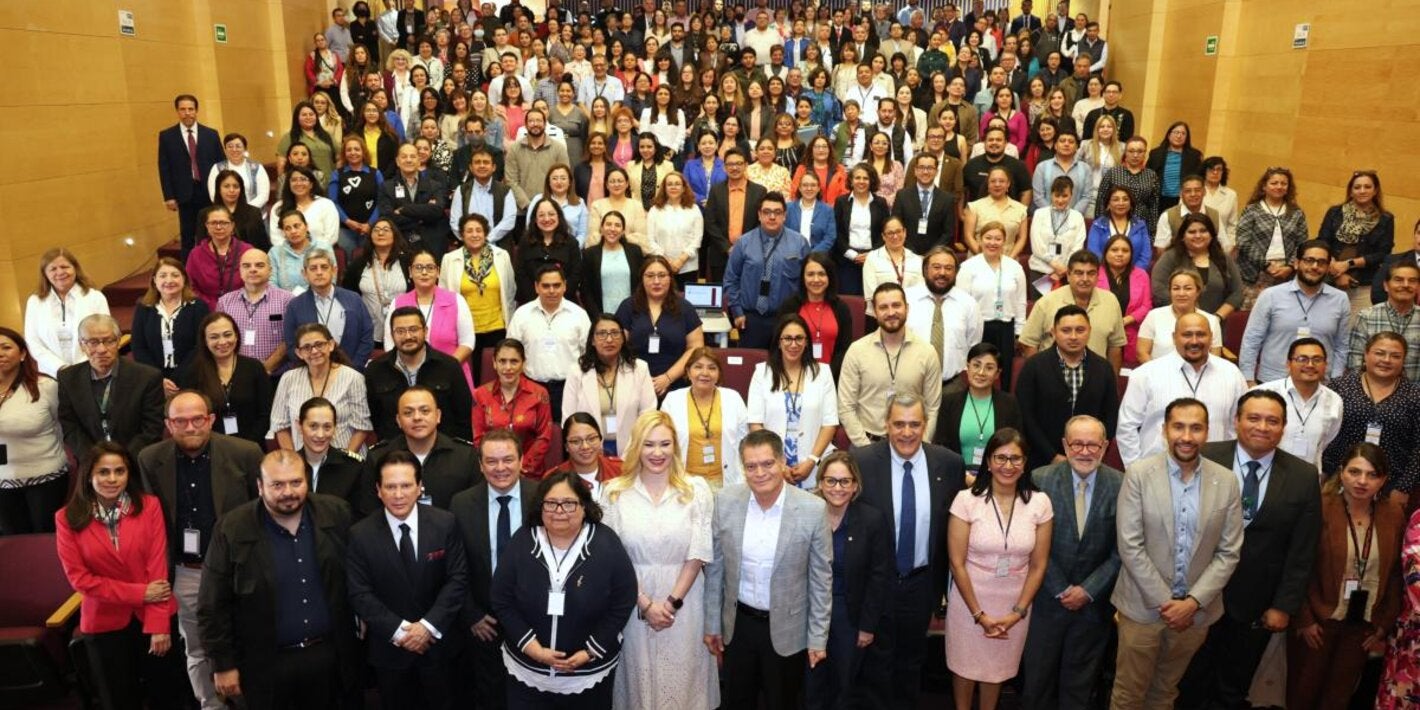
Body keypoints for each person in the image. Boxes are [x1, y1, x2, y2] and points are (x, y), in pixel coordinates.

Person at [1177, 390, 1323, 710]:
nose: (1262, 427)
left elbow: (1303, 549)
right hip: (1196, 598)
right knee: (1187, 684)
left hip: (1257, 604)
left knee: (1232, 689)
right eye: (1253, 418)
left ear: (1283, 428)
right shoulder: (1205, 458)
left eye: (1272, 421)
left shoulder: (1303, 476)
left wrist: (1284, 605)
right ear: (1236, 421)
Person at [196, 450, 357, 709]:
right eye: (277, 485)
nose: (288, 492)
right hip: (265, 664)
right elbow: (212, 605)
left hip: (328, 657)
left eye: (296, 482)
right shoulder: (232, 528)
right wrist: (223, 664)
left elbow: (357, 577)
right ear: (260, 486)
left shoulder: (337, 514)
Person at [1110, 397, 1243, 709]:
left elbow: (1229, 552)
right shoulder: (1139, 474)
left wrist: (1192, 603)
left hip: (1195, 615)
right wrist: (1166, 603)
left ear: (1207, 432)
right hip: (1143, 609)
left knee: (1165, 693)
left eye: (1195, 428)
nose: (1186, 436)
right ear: (1165, 430)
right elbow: (1130, 544)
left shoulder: (1225, 480)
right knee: (1129, 694)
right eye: (1179, 427)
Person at [137, 391, 262, 710]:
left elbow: (259, 515)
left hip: (238, 570)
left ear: (211, 419)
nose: (190, 427)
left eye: (198, 419)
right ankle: (211, 705)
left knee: (247, 642)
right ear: (168, 424)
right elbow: (152, 524)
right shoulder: (150, 459)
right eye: (180, 421)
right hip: (186, 570)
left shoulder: (245, 453)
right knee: (197, 648)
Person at [597, 411, 718, 709]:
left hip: (685, 604)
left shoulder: (697, 490)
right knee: (639, 690)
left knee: (685, 689)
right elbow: (613, 560)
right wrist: (646, 604)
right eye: (649, 444)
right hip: (633, 603)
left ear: (675, 446)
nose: (657, 452)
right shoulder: (613, 494)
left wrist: (670, 603)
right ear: (636, 446)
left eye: (665, 444)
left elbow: (698, 553)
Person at [703, 429, 832, 709]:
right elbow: (715, 570)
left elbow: (821, 581)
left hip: (789, 629)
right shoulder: (724, 502)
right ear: (743, 467)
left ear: (782, 461)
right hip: (738, 628)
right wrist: (712, 624)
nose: (760, 472)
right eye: (751, 466)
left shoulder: (813, 509)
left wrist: (818, 638)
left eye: (767, 464)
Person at [55, 442, 183, 710]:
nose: (112, 479)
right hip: (104, 622)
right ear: (89, 475)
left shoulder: (150, 507)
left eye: (119, 471)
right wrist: (140, 592)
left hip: (153, 617)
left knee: (168, 696)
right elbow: (81, 580)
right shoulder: (66, 519)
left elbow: (157, 567)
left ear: (128, 474)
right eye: (103, 472)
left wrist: (159, 625)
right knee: (119, 700)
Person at [346, 450, 469, 710]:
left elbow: (457, 579)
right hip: (390, 654)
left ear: (420, 486)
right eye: (390, 487)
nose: (398, 495)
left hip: (440, 647)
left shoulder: (445, 523)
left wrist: (427, 627)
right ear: (378, 490)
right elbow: (360, 593)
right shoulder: (360, 534)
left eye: (406, 486)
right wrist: (402, 632)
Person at [1018, 416, 1122, 710]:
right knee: (1036, 686)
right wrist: (1061, 588)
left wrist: (1088, 590)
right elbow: (1030, 543)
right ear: (1065, 444)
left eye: (1092, 444)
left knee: (1078, 690)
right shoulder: (1040, 479)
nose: (1085, 451)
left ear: (1104, 447)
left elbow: (1121, 550)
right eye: (1077, 443)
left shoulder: (1122, 484)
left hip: (1093, 607)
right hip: (1046, 603)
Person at [945, 428, 1052, 710]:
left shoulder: (1040, 503)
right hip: (970, 600)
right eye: (1000, 458)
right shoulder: (966, 500)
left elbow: (1039, 565)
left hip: (1014, 603)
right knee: (965, 666)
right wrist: (979, 615)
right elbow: (957, 563)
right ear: (988, 462)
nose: (1008, 466)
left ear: (1025, 462)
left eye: (1015, 459)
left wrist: (1017, 612)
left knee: (998, 669)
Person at [1288, 443, 1400, 709]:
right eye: (1355, 472)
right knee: (1302, 693)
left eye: (1372, 475)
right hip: (1318, 623)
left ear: (1383, 480)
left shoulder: (1393, 515)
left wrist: (1383, 624)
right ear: (1341, 472)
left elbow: (1396, 574)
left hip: (1362, 628)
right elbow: (1297, 565)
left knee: (1338, 698)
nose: (1362, 481)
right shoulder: (1321, 508)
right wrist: (1303, 618)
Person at [448, 429, 537, 709]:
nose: (500, 468)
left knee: (531, 694)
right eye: (492, 461)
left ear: (522, 461)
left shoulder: (542, 498)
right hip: (483, 622)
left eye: (508, 459)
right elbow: (454, 566)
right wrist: (471, 614)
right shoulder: (460, 503)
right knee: (490, 695)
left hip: (535, 619)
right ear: (480, 465)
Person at [803, 451, 894, 710]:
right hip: (809, 613)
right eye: (831, 481)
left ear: (855, 485)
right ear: (820, 483)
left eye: (845, 481)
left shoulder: (872, 520)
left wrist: (867, 625)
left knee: (844, 686)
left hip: (849, 616)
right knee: (812, 683)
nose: (837, 488)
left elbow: (879, 577)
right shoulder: (807, 515)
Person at [1116, 314, 1248, 465]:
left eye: (1201, 334)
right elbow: (1127, 427)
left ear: (1211, 337)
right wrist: (1136, 471)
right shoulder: (1146, 374)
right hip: (1157, 472)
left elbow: (1239, 426)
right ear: (1174, 337)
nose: (1194, 341)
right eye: (1187, 335)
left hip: (1215, 472)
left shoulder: (1232, 374)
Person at [1015, 305, 1121, 471]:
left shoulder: (1103, 368)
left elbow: (1110, 416)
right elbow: (1025, 415)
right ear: (1053, 332)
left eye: (1080, 330)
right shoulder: (1034, 366)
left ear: (1089, 331)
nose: (1073, 337)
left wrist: (1093, 452)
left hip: (1089, 460)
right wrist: (1051, 455)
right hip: (1040, 461)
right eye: (1066, 330)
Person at [838, 282, 944, 444]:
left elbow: (932, 408)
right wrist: (866, 448)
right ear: (874, 311)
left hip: (912, 444)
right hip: (867, 443)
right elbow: (846, 407)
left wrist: (920, 445)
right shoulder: (857, 351)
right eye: (883, 307)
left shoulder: (927, 352)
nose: (891, 312)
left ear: (907, 308)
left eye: (896, 305)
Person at [1323, 332, 1420, 503]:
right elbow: (1323, 434)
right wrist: (1323, 473)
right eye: (1380, 353)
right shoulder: (1339, 387)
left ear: (1403, 361)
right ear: (1366, 355)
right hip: (1337, 479)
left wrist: (1404, 487)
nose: (1386, 360)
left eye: (1395, 356)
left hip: (1392, 484)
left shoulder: (1414, 396)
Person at [1239, 239, 1350, 384]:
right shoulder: (1271, 295)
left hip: (1320, 383)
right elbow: (1251, 340)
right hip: (1273, 381)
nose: (1315, 266)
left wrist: (1336, 381)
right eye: (1309, 260)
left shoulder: (1340, 299)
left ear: (1328, 267)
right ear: (1297, 263)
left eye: (1321, 262)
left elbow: (1342, 346)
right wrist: (1248, 379)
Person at [747, 315, 839, 489]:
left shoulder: (823, 373)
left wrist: (812, 460)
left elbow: (830, 423)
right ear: (779, 342)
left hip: (813, 464)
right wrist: (778, 464)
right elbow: (755, 423)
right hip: (772, 467)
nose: (793, 344)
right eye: (788, 338)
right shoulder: (762, 373)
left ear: (806, 342)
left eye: (799, 338)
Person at [360, 386, 481, 516]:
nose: (417, 417)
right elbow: (369, 511)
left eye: (425, 411)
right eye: (408, 413)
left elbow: (475, 508)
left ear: (438, 416)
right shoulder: (378, 457)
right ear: (398, 420)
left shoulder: (465, 455)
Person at [56, 315, 165, 456]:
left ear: (119, 341)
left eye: (108, 341)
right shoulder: (68, 378)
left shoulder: (147, 377)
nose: (101, 349)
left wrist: (122, 460)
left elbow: (152, 429)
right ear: (82, 344)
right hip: (91, 462)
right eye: (93, 342)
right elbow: (70, 427)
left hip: (135, 461)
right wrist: (94, 460)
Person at [366, 306, 475, 443]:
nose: (408, 336)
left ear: (425, 331)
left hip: (443, 452)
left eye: (413, 329)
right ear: (392, 335)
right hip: (395, 455)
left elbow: (464, 417)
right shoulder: (376, 370)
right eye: (400, 331)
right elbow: (376, 419)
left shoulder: (449, 366)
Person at [0, 328, 67, 534]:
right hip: (2, 483)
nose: (0, 353)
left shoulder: (45, 386)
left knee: (44, 542)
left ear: (22, 354)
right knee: (12, 546)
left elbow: (62, 425)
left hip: (45, 478)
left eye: (6, 347)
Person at [269, 323, 373, 454]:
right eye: (306, 347)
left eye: (319, 345)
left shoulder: (353, 378)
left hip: (346, 458)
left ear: (331, 345)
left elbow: (361, 427)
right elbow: (280, 426)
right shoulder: (288, 379)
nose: (314, 351)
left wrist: (347, 461)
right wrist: (295, 461)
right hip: (302, 463)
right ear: (299, 353)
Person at [506, 264, 591, 423]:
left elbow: (589, 354)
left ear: (565, 286)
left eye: (557, 285)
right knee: (534, 436)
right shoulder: (522, 315)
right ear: (536, 287)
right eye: (546, 286)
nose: (552, 291)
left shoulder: (579, 315)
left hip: (569, 387)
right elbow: (511, 352)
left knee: (567, 435)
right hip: (531, 387)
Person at [562, 316, 657, 458]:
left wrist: (632, 452)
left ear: (623, 338)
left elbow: (648, 414)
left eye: (615, 333)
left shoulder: (639, 369)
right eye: (601, 334)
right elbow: (568, 419)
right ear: (592, 340)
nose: (609, 339)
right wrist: (585, 449)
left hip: (632, 449)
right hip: (588, 451)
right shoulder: (577, 371)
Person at [176, 312, 273, 447]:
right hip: (210, 448)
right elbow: (190, 416)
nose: (222, 342)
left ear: (237, 336)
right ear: (205, 341)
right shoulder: (193, 373)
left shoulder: (254, 368)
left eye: (227, 335)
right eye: (214, 337)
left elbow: (266, 413)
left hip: (251, 448)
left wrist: (247, 446)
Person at [1018, 250, 1127, 368]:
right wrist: (1038, 377)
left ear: (1097, 276)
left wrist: (1112, 383)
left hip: (1096, 378)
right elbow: (1029, 343)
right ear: (1068, 275)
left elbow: (1115, 346)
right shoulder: (1046, 302)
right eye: (1079, 273)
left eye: (1091, 273)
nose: (1085, 279)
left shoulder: (1110, 301)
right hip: (1053, 378)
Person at [614, 256, 705, 397]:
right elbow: (617, 346)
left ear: (670, 278)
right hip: (634, 383)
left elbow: (695, 347)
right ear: (642, 278)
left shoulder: (685, 308)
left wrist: (668, 378)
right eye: (650, 276)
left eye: (662, 276)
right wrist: (637, 379)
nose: (656, 281)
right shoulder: (628, 306)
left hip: (676, 384)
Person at [660, 347, 749, 489]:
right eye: (698, 367)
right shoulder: (672, 400)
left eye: (712, 368)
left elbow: (745, 442)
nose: (705, 373)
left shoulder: (733, 398)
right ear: (688, 372)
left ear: (719, 373)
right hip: (685, 483)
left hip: (726, 482)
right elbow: (663, 442)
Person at [957, 222, 1028, 389]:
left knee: (1004, 374)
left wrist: (1019, 331)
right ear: (980, 240)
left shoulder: (1015, 267)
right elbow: (962, 302)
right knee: (978, 371)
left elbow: (1020, 301)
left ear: (1004, 242)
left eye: (998, 239)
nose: (992, 243)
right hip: (978, 328)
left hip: (1006, 328)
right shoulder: (968, 267)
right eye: (988, 238)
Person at [935, 342, 1025, 471]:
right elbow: (942, 447)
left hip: (999, 475)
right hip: (957, 475)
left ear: (997, 373)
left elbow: (1017, 445)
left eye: (989, 368)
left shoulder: (1009, 403)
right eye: (976, 365)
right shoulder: (949, 402)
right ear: (967, 367)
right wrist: (964, 476)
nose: (981, 372)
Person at [473, 339, 555, 478]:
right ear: (494, 363)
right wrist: (498, 466)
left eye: (514, 361)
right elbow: (479, 438)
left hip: (530, 473)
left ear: (523, 363)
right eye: (502, 361)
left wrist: (521, 467)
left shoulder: (539, 393)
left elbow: (544, 436)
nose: (508, 367)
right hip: (494, 472)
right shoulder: (480, 394)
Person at [24, 248, 111, 378]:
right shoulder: (35, 301)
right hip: (52, 374)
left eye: (65, 267)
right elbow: (32, 341)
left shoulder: (95, 297)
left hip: (92, 370)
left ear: (75, 268)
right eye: (53, 269)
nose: (60, 272)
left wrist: (81, 368)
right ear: (45, 274)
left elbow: (106, 335)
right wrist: (60, 367)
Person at [1319, 170, 1395, 318]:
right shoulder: (1335, 212)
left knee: (1355, 332)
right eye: (1357, 187)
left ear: (1375, 190)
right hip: (1328, 279)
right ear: (1351, 191)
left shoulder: (1386, 219)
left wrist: (1348, 264)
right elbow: (1322, 242)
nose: (1362, 191)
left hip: (1363, 285)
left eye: (1367, 187)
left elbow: (1383, 254)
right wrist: (1335, 269)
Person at [283, 249, 375, 370]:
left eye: (324, 267)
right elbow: (291, 345)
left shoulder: (354, 299)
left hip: (352, 371)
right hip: (312, 374)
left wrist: (354, 368)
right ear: (304, 274)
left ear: (334, 270)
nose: (319, 272)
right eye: (313, 268)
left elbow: (367, 336)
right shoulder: (295, 306)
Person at [131, 257, 211, 391]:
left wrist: (177, 379)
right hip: (154, 380)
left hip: (192, 377)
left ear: (184, 279)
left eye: (175, 275)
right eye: (163, 276)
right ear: (154, 280)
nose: (169, 280)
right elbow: (138, 347)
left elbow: (201, 345)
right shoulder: (144, 308)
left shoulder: (198, 307)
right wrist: (158, 378)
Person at [1234, 167, 1309, 310]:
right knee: (1249, 317)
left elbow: (1302, 243)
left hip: (1285, 274)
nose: (1279, 186)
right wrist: (1266, 265)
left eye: (1283, 183)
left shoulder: (1296, 213)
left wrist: (1289, 266)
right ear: (1264, 186)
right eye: (1274, 183)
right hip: (1254, 274)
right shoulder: (1252, 210)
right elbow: (1243, 241)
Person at [157, 94, 223, 258]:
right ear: (177, 111)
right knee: (187, 236)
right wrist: (169, 196)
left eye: (191, 109)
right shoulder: (167, 136)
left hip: (209, 192)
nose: (187, 113)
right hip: (184, 193)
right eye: (183, 109)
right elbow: (164, 167)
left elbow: (220, 164)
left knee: (211, 232)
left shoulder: (211, 134)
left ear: (196, 111)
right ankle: (189, 274)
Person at [215, 249, 293, 376]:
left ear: (270, 270)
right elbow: (219, 339)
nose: (253, 269)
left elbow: (290, 339)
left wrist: (266, 367)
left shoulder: (287, 300)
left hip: (276, 375)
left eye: (259, 265)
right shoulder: (225, 302)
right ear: (239, 270)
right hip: (236, 375)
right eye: (247, 266)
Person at [1149, 212, 1242, 318]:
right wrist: (1188, 316)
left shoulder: (1224, 258)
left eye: (1203, 231)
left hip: (1217, 323)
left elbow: (1237, 292)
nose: (1198, 235)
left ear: (1211, 234)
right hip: (1177, 321)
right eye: (1192, 232)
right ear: (1183, 236)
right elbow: (1159, 290)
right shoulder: (1170, 257)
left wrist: (1217, 317)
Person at [342, 218, 413, 338]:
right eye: (376, 230)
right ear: (370, 236)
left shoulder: (408, 262)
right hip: (369, 331)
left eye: (386, 230)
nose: (381, 233)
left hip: (405, 331)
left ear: (394, 235)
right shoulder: (358, 264)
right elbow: (349, 296)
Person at [1136, 268, 1225, 364]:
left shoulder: (1211, 321)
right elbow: (1142, 353)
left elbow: (1215, 357)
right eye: (1176, 288)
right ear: (1170, 291)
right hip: (1160, 375)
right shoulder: (1154, 316)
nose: (1181, 293)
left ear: (1198, 292)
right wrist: (1158, 375)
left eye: (1188, 288)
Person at [703, 148, 767, 281]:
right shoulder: (716, 191)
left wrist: (744, 246)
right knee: (721, 298)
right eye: (730, 164)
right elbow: (710, 222)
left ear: (746, 165)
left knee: (748, 296)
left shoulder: (759, 191)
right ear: (724, 167)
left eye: (739, 163)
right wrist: (727, 247)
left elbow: (761, 223)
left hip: (750, 254)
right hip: (720, 255)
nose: (735, 167)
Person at [1352, 261, 1420, 382]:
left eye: (1412, 281)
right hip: (1373, 394)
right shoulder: (1367, 316)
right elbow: (1355, 362)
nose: (1405, 285)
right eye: (1398, 280)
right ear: (1386, 286)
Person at [293, 397, 365, 506]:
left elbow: (362, 514)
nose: (320, 435)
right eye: (313, 426)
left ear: (335, 428)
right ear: (299, 426)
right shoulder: (288, 467)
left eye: (327, 427)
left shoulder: (353, 467)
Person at [832, 163, 890, 295]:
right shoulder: (841, 202)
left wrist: (871, 255)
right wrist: (852, 255)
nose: (861, 182)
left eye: (866, 178)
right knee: (849, 300)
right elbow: (837, 232)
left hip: (874, 258)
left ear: (871, 181)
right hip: (847, 260)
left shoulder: (880, 203)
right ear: (851, 181)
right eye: (857, 178)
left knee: (873, 297)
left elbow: (885, 232)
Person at [1096, 235, 1151, 369]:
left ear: (1131, 254)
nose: (1120, 254)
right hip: (1101, 331)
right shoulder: (1095, 273)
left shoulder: (1141, 274)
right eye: (1114, 250)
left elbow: (1147, 305)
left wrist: (1125, 321)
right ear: (1106, 252)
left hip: (1130, 332)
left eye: (1125, 251)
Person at [449, 146, 519, 246]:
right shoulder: (461, 191)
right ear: (471, 167)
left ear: (493, 167)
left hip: (497, 248)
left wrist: (486, 239)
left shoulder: (505, 191)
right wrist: (471, 239)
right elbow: (455, 222)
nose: (482, 166)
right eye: (477, 162)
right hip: (468, 247)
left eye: (486, 162)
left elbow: (509, 220)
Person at [506, 109, 572, 210]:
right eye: (531, 121)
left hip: (552, 210)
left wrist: (549, 205)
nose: (535, 124)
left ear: (545, 124)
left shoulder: (559, 149)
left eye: (539, 121)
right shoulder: (514, 149)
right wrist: (527, 205)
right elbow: (511, 181)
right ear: (526, 125)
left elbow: (564, 178)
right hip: (521, 211)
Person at [1028, 176, 1088, 286]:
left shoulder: (1077, 217)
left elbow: (1078, 246)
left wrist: (1064, 268)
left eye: (1064, 196)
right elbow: (1037, 245)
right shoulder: (1039, 214)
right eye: (1057, 196)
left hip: (1066, 272)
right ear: (1051, 195)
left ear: (1071, 195)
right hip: (1040, 270)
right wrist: (1054, 264)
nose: (1060, 200)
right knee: (1040, 304)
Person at [1154, 175, 1227, 254]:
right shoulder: (1168, 216)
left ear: (1204, 192)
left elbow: (1224, 246)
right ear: (1181, 194)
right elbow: (1161, 249)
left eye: (1197, 190)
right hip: (1178, 264)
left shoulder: (1214, 215)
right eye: (1188, 191)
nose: (1193, 194)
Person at [1086, 185, 1151, 270]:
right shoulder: (1098, 225)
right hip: (1103, 274)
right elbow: (1093, 252)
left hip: (1134, 275)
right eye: (1115, 199)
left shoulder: (1140, 225)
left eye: (1125, 199)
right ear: (1108, 204)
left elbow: (1145, 256)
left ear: (1131, 203)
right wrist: (1109, 273)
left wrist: (1133, 274)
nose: (1121, 203)